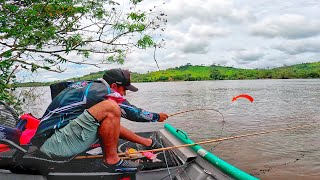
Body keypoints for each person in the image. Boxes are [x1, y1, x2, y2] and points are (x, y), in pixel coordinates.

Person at [31, 68, 169, 172]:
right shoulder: (103, 92)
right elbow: (132, 113)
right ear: (114, 85)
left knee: (108, 118)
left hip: (50, 139)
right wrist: (157, 116)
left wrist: (146, 141)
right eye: (124, 89)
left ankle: (147, 142)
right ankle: (112, 161)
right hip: (54, 146)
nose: (125, 93)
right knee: (111, 106)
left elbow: (110, 125)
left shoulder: (88, 86)